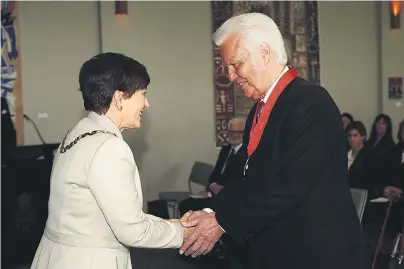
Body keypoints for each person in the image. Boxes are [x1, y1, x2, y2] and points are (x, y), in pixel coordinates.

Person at [179, 13, 371, 269]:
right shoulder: (259, 110)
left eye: (235, 64)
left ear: (264, 53)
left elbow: (291, 184)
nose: (231, 76)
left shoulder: (311, 102)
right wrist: (209, 213)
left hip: (317, 254)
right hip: (278, 251)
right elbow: (248, 180)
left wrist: (221, 222)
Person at [30, 53, 190, 269]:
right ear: (119, 98)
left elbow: (106, 216)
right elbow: (133, 231)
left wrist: (173, 223)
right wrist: (184, 231)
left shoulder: (76, 134)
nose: (147, 103)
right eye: (143, 94)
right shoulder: (109, 148)